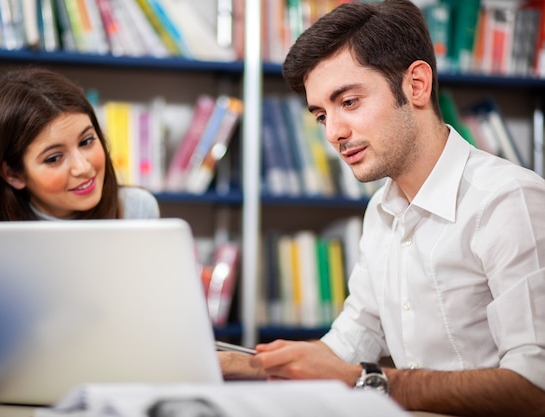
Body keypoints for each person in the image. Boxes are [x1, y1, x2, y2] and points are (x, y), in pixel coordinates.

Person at [219, 1, 545, 416]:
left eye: (349, 102)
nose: (334, 133)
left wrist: (365, 380)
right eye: (321, 115)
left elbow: (535, 388)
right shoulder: (381, 212)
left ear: (416, 85)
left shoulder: (508, 200)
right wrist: (225, 364)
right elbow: (345, 346)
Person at [0, 68, 160, 382]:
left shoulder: (137, 208)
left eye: (87, 141)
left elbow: (151, 340)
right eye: (54, 158)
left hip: (96, 389)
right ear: (13, 174)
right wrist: (49, 370)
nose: (83, 168)